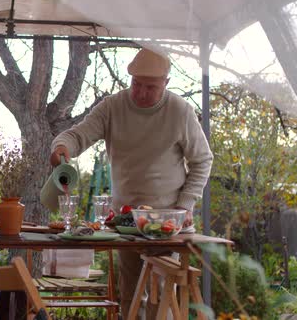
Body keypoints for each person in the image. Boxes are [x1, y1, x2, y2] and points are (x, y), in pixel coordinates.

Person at [49, 48, 213, 319]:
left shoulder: (180, 111)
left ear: (166, 84)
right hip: (126, 220)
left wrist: (185, 205)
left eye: (150, 87)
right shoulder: (114, 106)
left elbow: (203, 161)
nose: (141, 92)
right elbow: (79, 134)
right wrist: (61, 146)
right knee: (131, 293)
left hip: (168, 222)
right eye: (136, 84)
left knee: (162, 294)